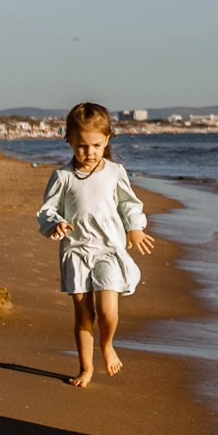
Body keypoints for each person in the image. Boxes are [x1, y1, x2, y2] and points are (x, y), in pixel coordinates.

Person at [37, 101, 155, 387]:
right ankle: (86, 368)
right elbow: (47, 210)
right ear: (69, 141)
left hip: (108, 251)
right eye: (81, 146)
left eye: (96, 145)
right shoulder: (63, 177)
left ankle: (108, 343)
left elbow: (129, 204)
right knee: (84, 313)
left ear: (107, 140)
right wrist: (57, 224)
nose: (89, 153)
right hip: (76, 252)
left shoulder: (115, 173)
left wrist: (135, 228)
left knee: (107, 311)